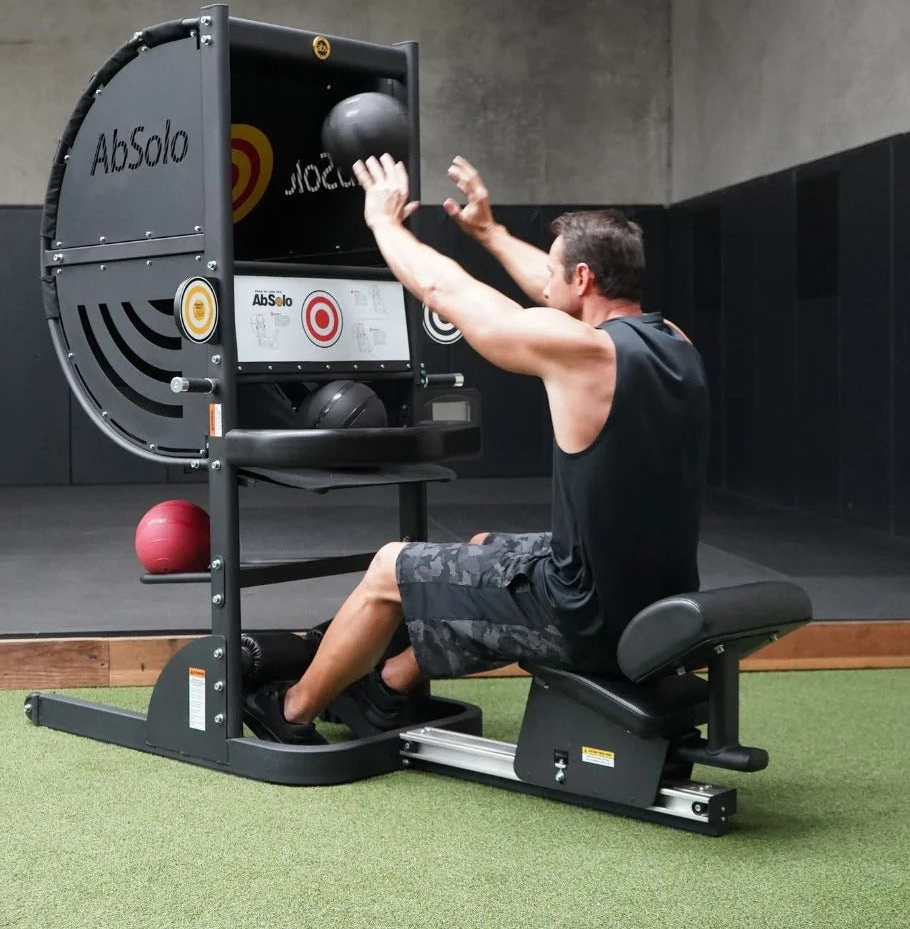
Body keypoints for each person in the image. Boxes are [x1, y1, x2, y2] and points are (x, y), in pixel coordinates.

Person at [250, 154, 709, 743]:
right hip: (653, 597)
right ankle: (389, 686)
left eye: (555, 270)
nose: (545, 280)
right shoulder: (676, 342)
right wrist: (490, 232)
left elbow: (446, 289)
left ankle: (291, 712)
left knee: (390, 566)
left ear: (583, 278)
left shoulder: (588, 355)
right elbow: (555, 290)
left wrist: (383, 222)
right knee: (483, 547)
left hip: (584, 617)